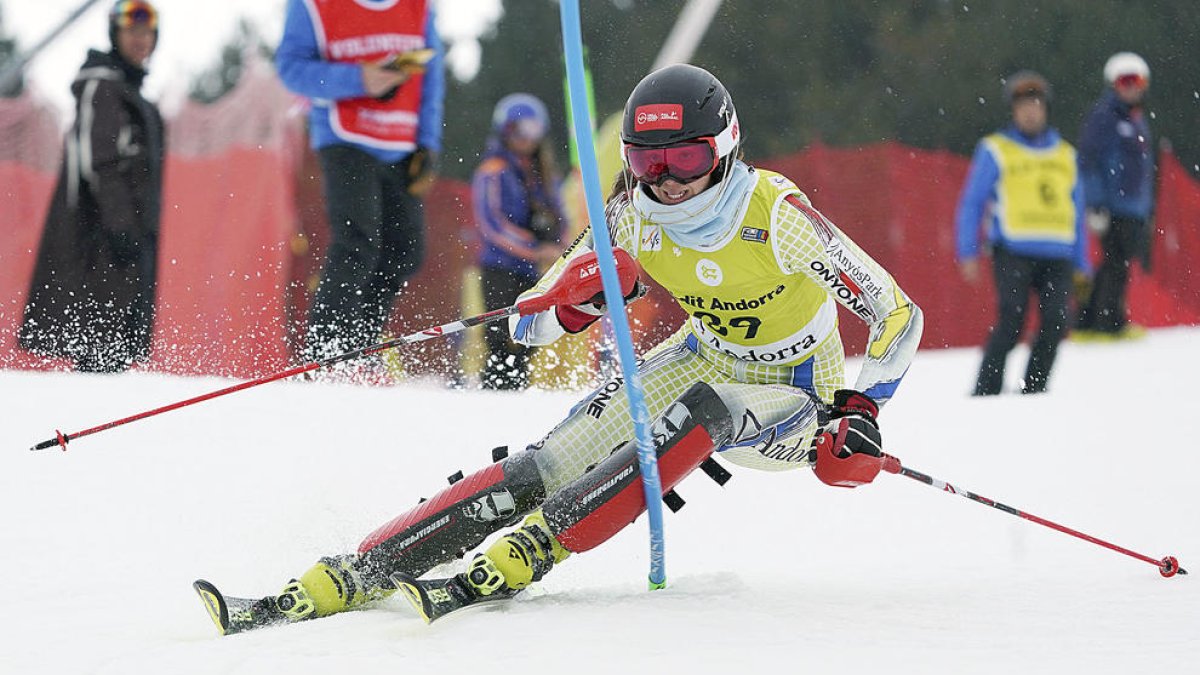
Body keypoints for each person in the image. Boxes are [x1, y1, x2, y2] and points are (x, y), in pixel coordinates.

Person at [194, 64, 923, 635]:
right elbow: (527, 324)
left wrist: (859, 410)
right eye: (648, 162)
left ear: (726, 147)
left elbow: (896, 312)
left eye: (687, 159)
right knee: (544, 462)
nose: (666, 184)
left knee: (701, 408)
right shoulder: (630, 217)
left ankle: (534, 547)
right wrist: (576, 301)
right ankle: (358, 569)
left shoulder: (776, 215)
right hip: (706, 355)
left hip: (798, 396)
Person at [275, 0, 445, 361]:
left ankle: (359, 348)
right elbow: (290, 68)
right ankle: (324, 354)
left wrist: (427, 144)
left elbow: (432, 74)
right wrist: (357, 79)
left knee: (404, 250)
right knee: (357, 243)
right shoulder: (312, 6)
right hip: (344, 140)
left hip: (401, 143)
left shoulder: (418, 7)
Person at [18, 0, 164, 373]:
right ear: (115, 34)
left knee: (111, 358)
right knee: (98, 357)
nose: (140, 40)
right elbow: (99, 161)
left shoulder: (132, 94)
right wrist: (121, 227)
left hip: (126, 245)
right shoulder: (102, 86)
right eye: (132, 31)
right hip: (100, 246)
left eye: (147, 32)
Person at [955, 71, 1087, 396]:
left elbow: (1078, 212)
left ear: (1045, 109)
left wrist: (1083, 261)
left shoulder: (1066, 155)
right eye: (1023, 105)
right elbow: (972, 202)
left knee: (1056, 322)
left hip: (1058, 254)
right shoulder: (996, 149)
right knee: (1011, 322)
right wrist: (968, 250)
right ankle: (986, 391)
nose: (1030, 111)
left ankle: (1034, 389)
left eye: (1036, 104)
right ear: (1014, 111)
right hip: (1013, 250)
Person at [472, 93, 567, 389]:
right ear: (506, 130)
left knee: (532, 333)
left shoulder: (544, 174)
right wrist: (535, 250)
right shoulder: (494, 170)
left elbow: (560, 216)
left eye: (533, 130)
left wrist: (561, 249)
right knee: (500, 335)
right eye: (519, 129)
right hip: (500, 267)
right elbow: (492, 223)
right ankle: (495, 387)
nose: (527, 138)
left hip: (535, 271)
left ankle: (518, 385)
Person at [1074, 52, 1155, 340]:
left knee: (1118, 263)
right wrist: (1095, 204)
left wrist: (1146, 206)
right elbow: (1089, 162)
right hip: (1113, 206)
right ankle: (1106, 322)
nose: (1131, 87)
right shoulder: (1105, 116)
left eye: (1137, 81)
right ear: (1114, 84)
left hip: (1133, 207)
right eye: (1125, 81)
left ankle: (1089, 320)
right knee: (1114, 263)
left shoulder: (1136, 119)